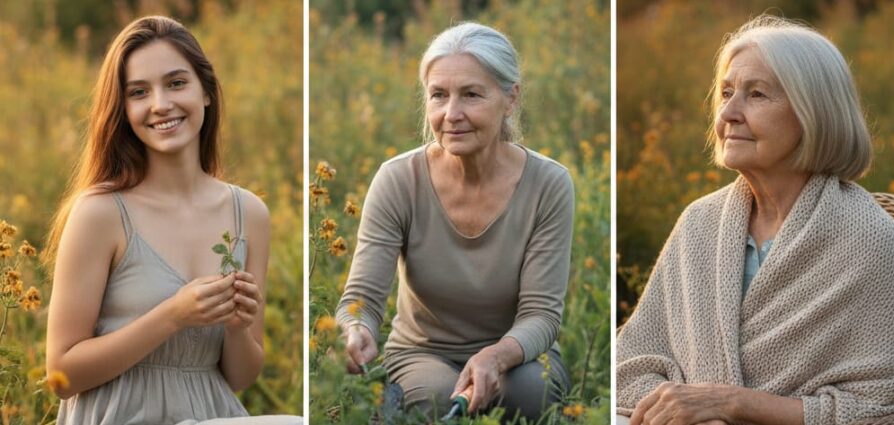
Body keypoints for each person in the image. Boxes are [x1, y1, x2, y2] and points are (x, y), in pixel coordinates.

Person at [616, 15, 894, 425]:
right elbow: (631, 362)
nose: (728, 113)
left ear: (814, 112)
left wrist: (733, 403)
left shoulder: (867, 236)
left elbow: (880, 404)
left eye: (756, 94)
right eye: (725, 93)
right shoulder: (699, 224)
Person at [44, 16, 300, 425]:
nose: (161, 104)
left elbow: (240, 376)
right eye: (139, 92)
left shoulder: (248, 213)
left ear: (207, 93)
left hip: (212, 415)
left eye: (177, 83)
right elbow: (61, 375)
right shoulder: (100, 213)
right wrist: (173, 315)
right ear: (124, 110)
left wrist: (237, 328)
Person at [334, 22, 574, 421]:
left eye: (471, 95)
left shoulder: (548, 184)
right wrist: (354, 331)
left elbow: (541, 315)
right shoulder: (398, 179)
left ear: (510, 98)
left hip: (517, 353)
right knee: (435, 399)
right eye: (438, 96)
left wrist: (496, 357)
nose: (451, 114)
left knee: (532, 393)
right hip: (421, 353)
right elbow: (360, 299)